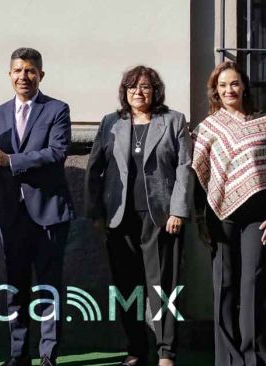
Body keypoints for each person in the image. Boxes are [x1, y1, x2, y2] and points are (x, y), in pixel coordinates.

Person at [85, 66, 192, 366]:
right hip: (120, 219)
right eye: (132, 87)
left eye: (145, 87)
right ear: (124, 92)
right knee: (127, 287)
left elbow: (185, 168)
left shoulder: (173, 121)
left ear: (155, 90)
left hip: (161, 218)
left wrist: (178, 210)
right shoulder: (110, 123)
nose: (138, 92)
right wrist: (95, 212)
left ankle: (166, 351)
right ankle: (136, 348)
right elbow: (94, 170)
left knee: (163, 286)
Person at [192, 61, 266, 366]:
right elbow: (198, 173)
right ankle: (227, 359)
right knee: (225, 284)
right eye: (221, 86)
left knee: (252, 285)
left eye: (233, 83)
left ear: (244, 86)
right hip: (221, 216)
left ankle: (253, 357)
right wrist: (199, 218)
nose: (228, 90)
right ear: (216, 92)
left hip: (258, 217)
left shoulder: (264, 125)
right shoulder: (208, 127)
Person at [0, 47, 74, 366]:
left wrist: (13, 160)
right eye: (18, 71)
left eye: (30, 70)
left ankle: (48, 354)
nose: (24, 76)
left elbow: (56, 152)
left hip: (49, 212)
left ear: (41, 75)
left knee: (49, 285)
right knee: (15, 286)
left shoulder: (57, 109)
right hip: (10, 214)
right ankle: (18, 353)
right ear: (9, 75)